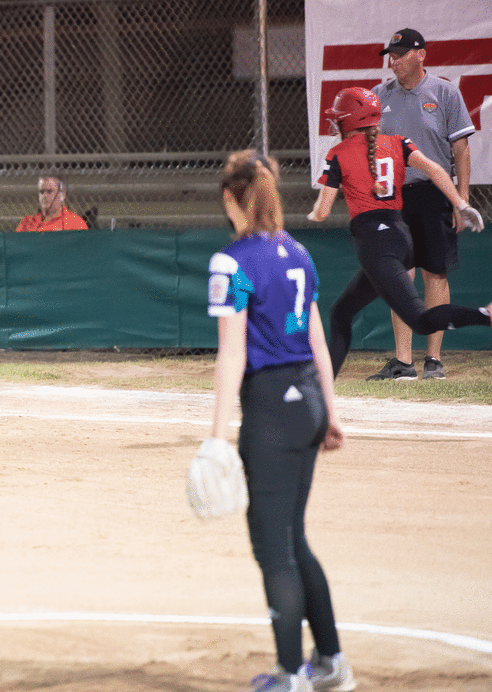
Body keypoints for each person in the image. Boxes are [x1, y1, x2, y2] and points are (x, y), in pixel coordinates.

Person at [206, 150, 355, 692]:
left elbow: (232, 354)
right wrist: (330, 413)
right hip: (307, 402)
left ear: (231, 199)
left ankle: (290, 675)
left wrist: (215, 438)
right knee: (294, 537)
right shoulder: (298, 252)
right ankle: (331, 663)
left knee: (274, 549)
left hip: (270, 408)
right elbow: (317, 339)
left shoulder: (232, 262)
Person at [308, 87, 488, 379]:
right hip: (400, 238)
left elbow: (323, 210)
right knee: (341, 312)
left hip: (377, 244)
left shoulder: (339, 153)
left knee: (421, 320)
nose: (335, 124)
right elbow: (435, 169)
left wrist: (313, 214)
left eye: (339, 119)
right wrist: (460, 203)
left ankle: (485, 316)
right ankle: (322, 383)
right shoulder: (398, 142)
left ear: (349, 121)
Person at [368, 28, 476, 380]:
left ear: (420, 55)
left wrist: (461, 200)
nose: (393, 62)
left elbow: (461, 149)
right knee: (400, 274)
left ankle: (433, 359)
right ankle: (403, 361)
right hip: (392, 195)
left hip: (434, 194)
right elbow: (366, 148)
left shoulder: (445, 92)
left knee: (435, 272)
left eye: (400, 55)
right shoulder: (378, 96)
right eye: (391, 56)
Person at [15, 175, 88, 232]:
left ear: (62, 195)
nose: (44, 196)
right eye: (41, 192)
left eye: (49, 192)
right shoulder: (26, 222)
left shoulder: (75, 223)